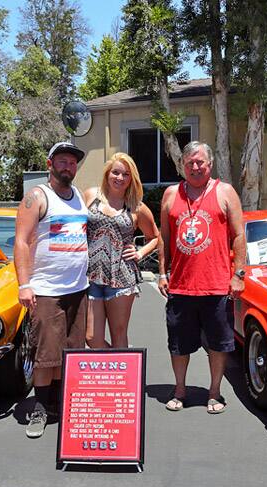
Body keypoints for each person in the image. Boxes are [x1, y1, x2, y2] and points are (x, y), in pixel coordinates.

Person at [157, 140, 246, 414]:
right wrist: (162, 272)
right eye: (190, 163)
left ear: (210, 164)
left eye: (200, 163)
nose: (195, 167)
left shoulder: (225, 192)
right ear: (183, 165)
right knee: (178, 344)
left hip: (217, 286)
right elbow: (165, 236)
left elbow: (239, 235)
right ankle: (180, 390)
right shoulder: (172, 194)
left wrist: (238, 274)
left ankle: (215, 392)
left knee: (219, 344)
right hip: (181, 287)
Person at [14, 141, 89, 438]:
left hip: (78, 289)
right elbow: (21, 241)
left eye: (72, 162)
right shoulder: (37, 196)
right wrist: (24, 284)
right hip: (47, 291)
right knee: (45, 355)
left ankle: (58, 404)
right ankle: (40, 409)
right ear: (50, 164)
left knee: (69, 353)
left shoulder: (79, 196)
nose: (67, 166)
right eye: (62, 161)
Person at [83, 153, 159, 349]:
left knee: (119, 335)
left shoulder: (136, 207)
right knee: (92, 337)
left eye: (125, 174)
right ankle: (120, 365)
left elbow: (156, 237)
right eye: (115, 172)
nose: (120, 178)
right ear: (107, 174)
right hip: (91, 276)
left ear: (131, 178)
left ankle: (120, 377)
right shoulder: (91, 196)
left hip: (122, 278)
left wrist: (140, 253)